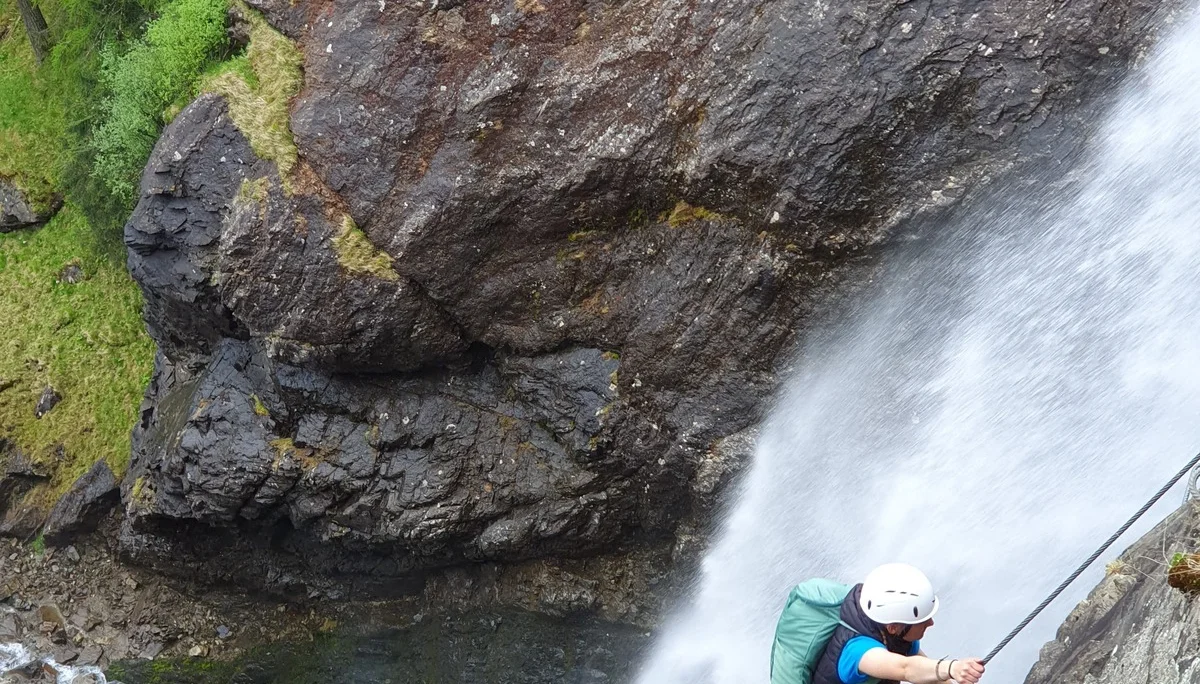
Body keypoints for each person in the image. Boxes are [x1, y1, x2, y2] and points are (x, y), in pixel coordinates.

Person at [812, 563, 985, 684]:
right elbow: (906, 669)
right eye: (922, 621)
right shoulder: (859, 651)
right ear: (893, 627)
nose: (931, 623)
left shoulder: (899, 635)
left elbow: (929, 676)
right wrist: (952, 668)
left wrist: (955, 673)